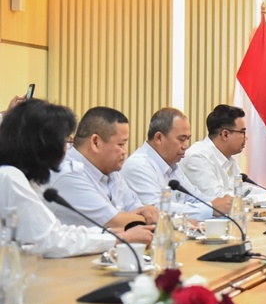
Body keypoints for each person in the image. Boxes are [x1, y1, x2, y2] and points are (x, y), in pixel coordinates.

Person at [0, 100, 153, 258]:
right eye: (65, 140)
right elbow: (51, 241)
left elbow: (59, 231)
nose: (67, 148)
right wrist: (118, 239)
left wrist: (111, 234)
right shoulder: (10, 177)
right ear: (42, 143)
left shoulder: (26, 179)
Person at [46, 107, 158, 230]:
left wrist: (145, 213)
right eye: (121, 144)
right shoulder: (68, 173)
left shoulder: (112, 172)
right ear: (95, 143)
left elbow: (137, 208)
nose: (125, 151)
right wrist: (145, 217)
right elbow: (115, 223)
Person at [121, 108, 232, 220]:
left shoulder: (172, 165)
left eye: (188, 139)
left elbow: (195, 197)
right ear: (159, 138)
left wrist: (223, 204)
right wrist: (211, 208)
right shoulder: (138, 165)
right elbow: (158, 210)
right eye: (181, 139)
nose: (186, 146)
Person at [180, 104, 266, 204]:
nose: (246, 138)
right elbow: (218, 200)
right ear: (225, 134)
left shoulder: (228, 159)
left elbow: (245, 190)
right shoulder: (198, 157)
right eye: (242, 132)